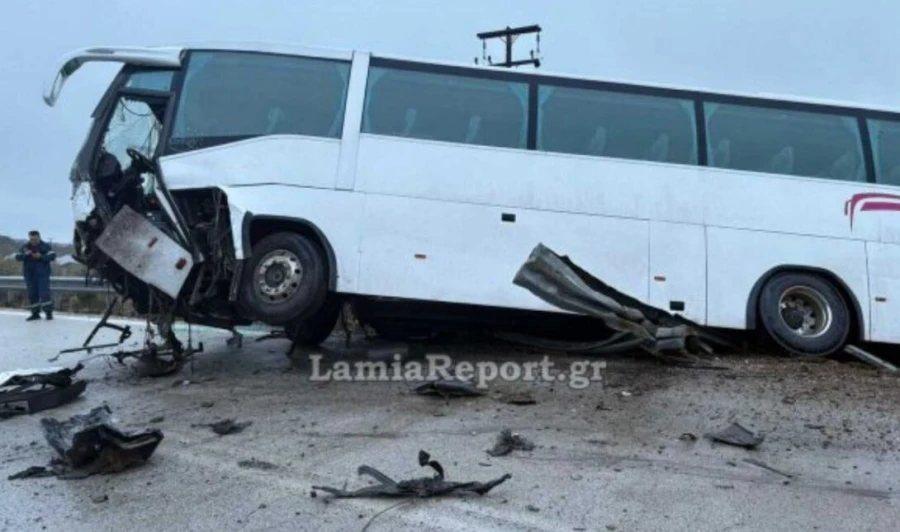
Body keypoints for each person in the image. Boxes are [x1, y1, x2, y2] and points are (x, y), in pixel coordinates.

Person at [14, 230, 56, 320]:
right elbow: (17, 257)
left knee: (44, 293)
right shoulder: (25, 247)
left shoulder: (45, 246)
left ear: (39, 237)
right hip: (29, 274)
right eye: (31, 239)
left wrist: (41, 257)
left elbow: (52, 256)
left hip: (42, 274)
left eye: (35, 239)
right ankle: (35, 314)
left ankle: (48, 313)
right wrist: (25, 255)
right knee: (32, 294)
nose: (33, 241)